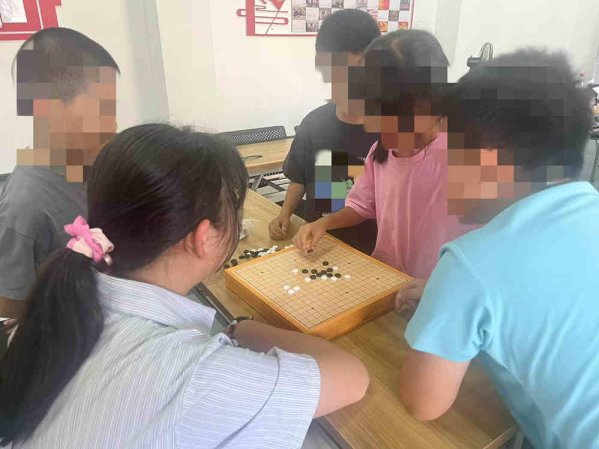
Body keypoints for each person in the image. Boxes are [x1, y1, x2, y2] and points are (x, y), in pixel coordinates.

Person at [0, 124, 369, 448]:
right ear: (203, 237)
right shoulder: (196, 377)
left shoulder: (53, 309)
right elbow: (352, 377)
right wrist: (240, 328)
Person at [397, 50, 599, 449]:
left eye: (451, 156)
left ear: (486, 162)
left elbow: (423, 404)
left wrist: (452, 299)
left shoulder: (470, 264)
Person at [293, 30, 472, 282]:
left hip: (441, 291)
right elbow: (362, 205)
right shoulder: (381, 152)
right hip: (386, 280)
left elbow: (493, 245)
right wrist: (325, 223)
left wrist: (442, 287)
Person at [0, 27, 119, 322]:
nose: (113, 125)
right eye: (102, 110)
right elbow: (10, 307)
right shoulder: (24, 206)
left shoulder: (92, 167)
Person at [269, 9, 380, 254]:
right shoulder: (314, 123)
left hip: (369, 251)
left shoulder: (391, 133)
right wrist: (284, 213)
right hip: (318, 245)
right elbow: (299, 177)